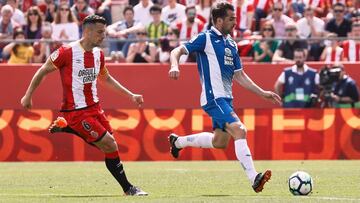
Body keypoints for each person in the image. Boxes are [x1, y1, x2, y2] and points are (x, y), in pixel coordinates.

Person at [20, 15, 148, 196]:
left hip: (95, 108)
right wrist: (27, 96)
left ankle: (69, 128)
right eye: (100, 32)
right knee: (110, 144)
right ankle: (128, 188)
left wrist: (131, 95)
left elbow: (106, 78)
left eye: (104, 31)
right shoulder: (66, 52)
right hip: (76, 111)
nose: (104, 36)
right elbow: (43, 70)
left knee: (109, 146)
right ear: (87, 31)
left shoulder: (98, 54)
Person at [168, 2, 281, 193]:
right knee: (240, 130)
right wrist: (174, 65)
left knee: (219, 142)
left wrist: (263, 93)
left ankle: (178, 142)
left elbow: (239, 75)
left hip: (226, 99)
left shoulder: (231, 44)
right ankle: (254, 178)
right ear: (218, 20)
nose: (235, 23)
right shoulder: (206, 38)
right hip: (214, 98)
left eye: (235, 18)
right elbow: (176, 50)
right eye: (231, 19)